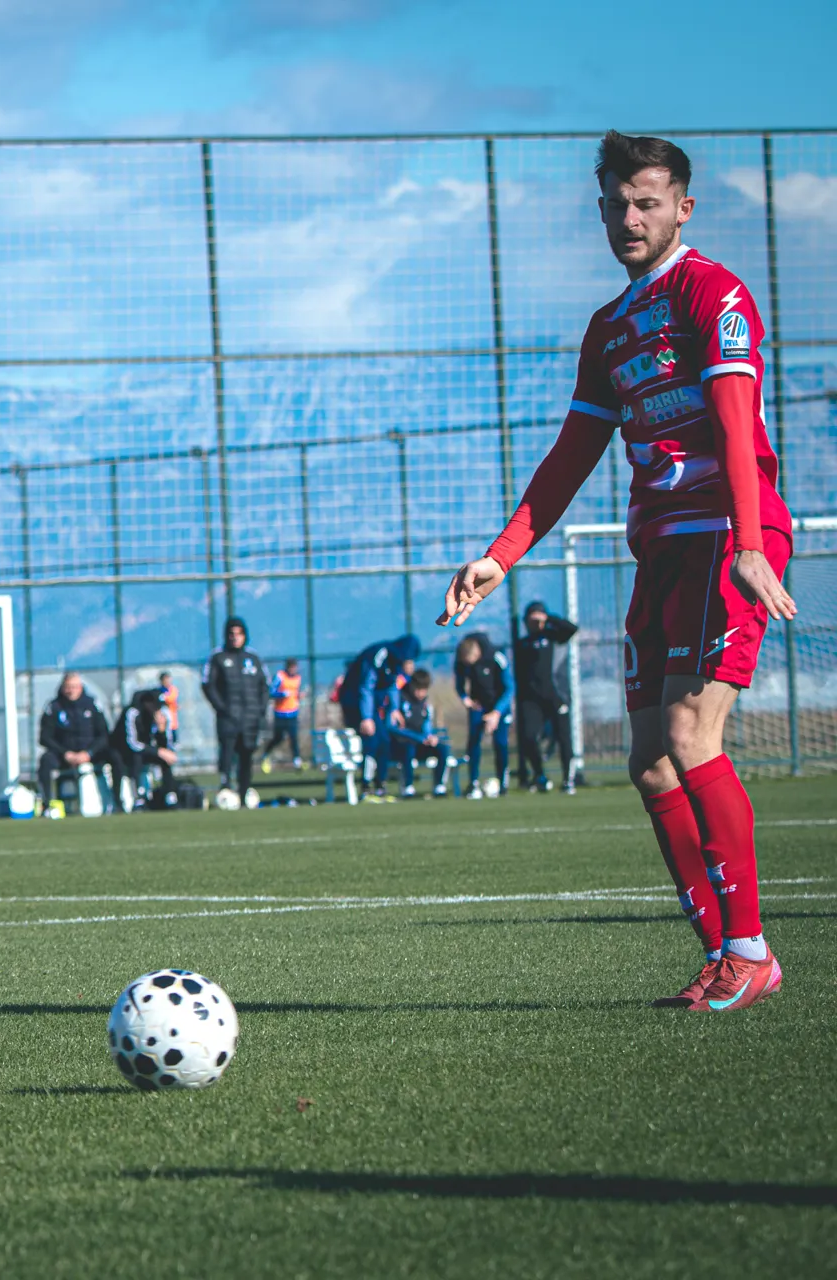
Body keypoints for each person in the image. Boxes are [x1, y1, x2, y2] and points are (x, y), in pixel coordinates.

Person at [440, 131, 795, 1012]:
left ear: (683, 207)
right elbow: (572, 453)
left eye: (646, 202)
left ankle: (751, 951)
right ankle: (720, 954)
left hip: (724, 537)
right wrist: (500, 556)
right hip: (661, 546)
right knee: (649, 762)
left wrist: (750, 541)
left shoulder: (713, 292)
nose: (629, 219)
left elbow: (736, 421)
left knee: (690, 734)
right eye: (615, 205)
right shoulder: (608, 327)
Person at [338, 634, 422, 795]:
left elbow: (392, 685)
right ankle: (366, 786)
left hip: (370, 706)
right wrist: (366, 718)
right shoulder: (379, 656)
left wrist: (395, 708)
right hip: (355, 701)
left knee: (384, 740)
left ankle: (380, 786)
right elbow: (366, 687)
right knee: (372, 740)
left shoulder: (395, 662)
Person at [513, 601, 579, 794]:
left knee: (564, 738)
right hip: (532, 700)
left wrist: (548, 618)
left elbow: (571, 629)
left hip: (556, 697)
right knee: (529, 737)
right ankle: (539, 775)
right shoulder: (522, 644)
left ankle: (568, 779)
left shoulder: (554, 637)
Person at [203, 617, 269, 806]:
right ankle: (225, 788)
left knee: (246, 754)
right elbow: (208, 685)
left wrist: (260, 710)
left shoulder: (253, 658)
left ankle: (244, 791)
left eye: (239, 634)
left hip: (250, 718)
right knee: (227, 754)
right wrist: (222, 708)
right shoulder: (218, 657)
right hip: (228, 718)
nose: (235, 637)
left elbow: (264, 686)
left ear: (244, 635)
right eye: (231, 634)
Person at [36, 672, 112, 819]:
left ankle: (116, 803)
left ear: (81, 687)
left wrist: (89, 753)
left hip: (90, 753)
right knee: (46, 761)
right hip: (64, 755)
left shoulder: (92, 704)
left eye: (75, 687)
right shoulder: (54, 707)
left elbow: (104, 735)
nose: (71, 691)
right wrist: (65, 753)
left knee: (115, 756)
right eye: (68, 687)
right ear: (63, 688)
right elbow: (45, 738)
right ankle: (47, 804)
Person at [453, 632, 511, 799]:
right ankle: (473, 782)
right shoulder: (461, 662)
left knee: (500, 743)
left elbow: (509, 687)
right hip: (478, 705)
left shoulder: (496, 657)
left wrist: (497, 712)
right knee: (473, 742)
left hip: (499, 706)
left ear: (476, 653)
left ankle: (503, 782)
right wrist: (465, 699)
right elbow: (459, 685)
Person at [385, 671, 450, 798]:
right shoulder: (399, 700)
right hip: (400, 745)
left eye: (424, 690)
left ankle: (439, 786)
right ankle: (408, 787)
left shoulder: (424, 704)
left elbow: (426, 724)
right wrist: (419, 738)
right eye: (418, 689)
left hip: (420, 744)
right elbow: (392, 727)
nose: (421, 693)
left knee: (442, 748)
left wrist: (430, 737)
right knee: (408, 748)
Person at [112, 688, 178, 811]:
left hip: (145, 749)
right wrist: (158, 751)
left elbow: (166, 745)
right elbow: (132, 743)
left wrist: (161, 731)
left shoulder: (162, 714)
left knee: (165, 760)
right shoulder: (133, 713)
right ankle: (138, 797)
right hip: (125, 751)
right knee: (136, 758)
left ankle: (170, 796)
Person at [261, 658, 303, 772]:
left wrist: (299, 696)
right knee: (278, 737)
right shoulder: (280, 676)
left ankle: (297, 760)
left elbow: (296, 693)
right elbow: (271, 691)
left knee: (293, 737)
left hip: (293, 713)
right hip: (280, 713)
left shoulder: (298, 678)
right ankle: (266, 754)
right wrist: (282, 694)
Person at [156, 671, 180, 745]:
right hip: (163, 719)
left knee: (173, 737)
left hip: (172, 718)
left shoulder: (173, 689)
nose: (167, 682)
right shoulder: (159, 690)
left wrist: (164, 698)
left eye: (168, 680)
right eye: (165, 680)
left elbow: (171, 698)